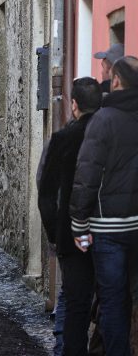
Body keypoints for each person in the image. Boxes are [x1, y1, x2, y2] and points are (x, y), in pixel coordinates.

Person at [70, 56, 138, 356]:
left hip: (107, 227)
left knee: (112, 301)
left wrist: (79, 224)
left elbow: (87, 174)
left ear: (118, 81)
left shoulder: (104, 119)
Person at [38, 77, 102, 356]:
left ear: (74, 105)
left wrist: (56, 233)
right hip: (108, 230)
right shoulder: (110, 135)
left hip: (70, 234)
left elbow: (46, 191)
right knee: (111, 300)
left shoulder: (64, 138)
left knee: (76, 303)